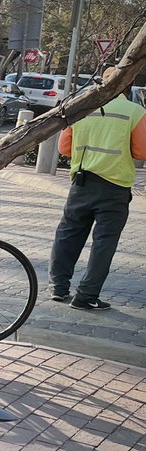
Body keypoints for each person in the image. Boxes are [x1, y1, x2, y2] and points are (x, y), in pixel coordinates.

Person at [48, 67, 146, 311]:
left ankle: (58, 288)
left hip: (81, 183)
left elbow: (64, 148)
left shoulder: (83, 110)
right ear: (126, 86)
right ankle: (86, 296)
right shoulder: (134, 112)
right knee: (104, 243)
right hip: (115, 187)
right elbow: (141, 152)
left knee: (68, 234)